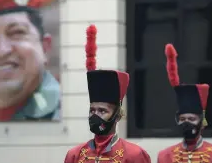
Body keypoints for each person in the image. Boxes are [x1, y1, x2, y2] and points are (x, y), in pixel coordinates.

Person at [64, 25, 151, 163]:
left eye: (102, 111)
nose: (95, 115)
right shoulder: (75, 155)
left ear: (117, 115)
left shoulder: (134, 154)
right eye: (92, 110)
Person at [157, 43, 212, 163]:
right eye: (182, 119)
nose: (186, 123)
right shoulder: (165, 156)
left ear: (202, 122)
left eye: (191, 119)